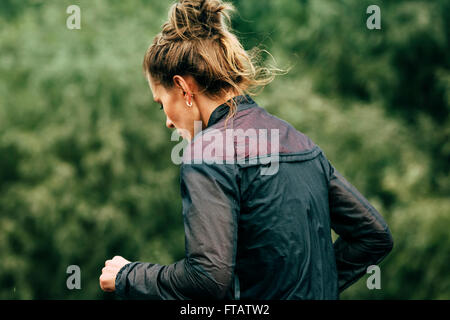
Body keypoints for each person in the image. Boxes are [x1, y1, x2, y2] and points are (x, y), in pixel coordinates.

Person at [99, 0, 393, 299]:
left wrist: (127, 275)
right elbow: (373, 236)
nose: (167, 122)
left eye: (162, 103)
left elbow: (208, 279)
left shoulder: (208, 154)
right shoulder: (298, 141)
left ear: (183, 88)